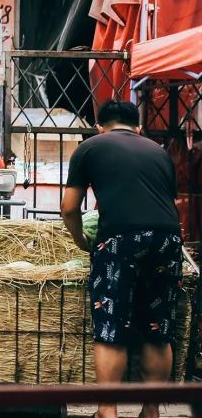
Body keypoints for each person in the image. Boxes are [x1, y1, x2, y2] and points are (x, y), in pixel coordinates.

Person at [62, 100, 183, 418]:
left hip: (119, 239)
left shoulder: (90, 147)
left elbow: (69, 207)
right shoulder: (159, 152)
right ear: (138, 128)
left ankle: (107, 409)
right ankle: (152, 410)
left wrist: (82, 240)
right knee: (159, 329)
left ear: (100, 126)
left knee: (111, 329)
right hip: (167, 238)